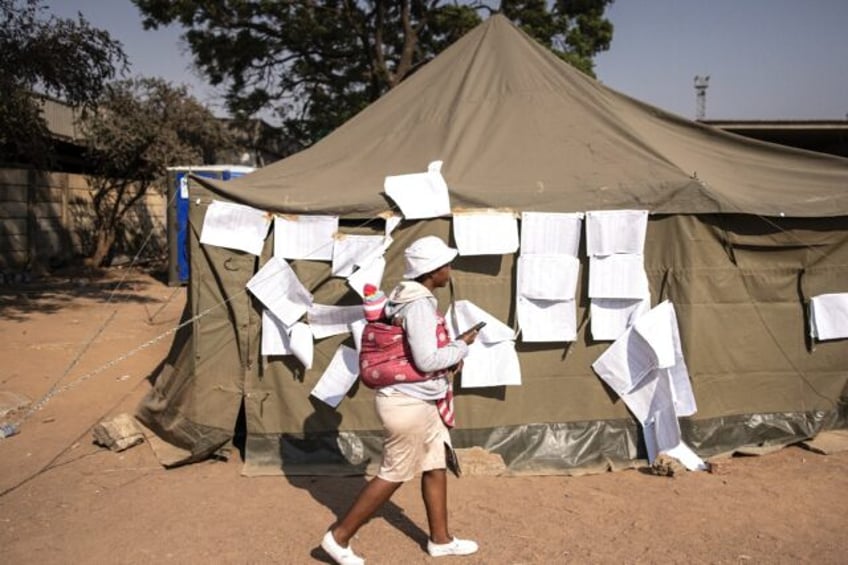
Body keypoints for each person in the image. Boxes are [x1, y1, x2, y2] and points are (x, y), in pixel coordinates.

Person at [321, 236, 480, 565]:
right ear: (433, 271)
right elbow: (425, 360)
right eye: (446, 265)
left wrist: (451, 352)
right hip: (408, 402)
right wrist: (462, 345)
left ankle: (441, 540)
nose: (450, 269)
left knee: (435, 464)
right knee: (393, 473)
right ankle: (338, 537)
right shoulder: (419, 304)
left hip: (421, 400)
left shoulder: (402, 296)